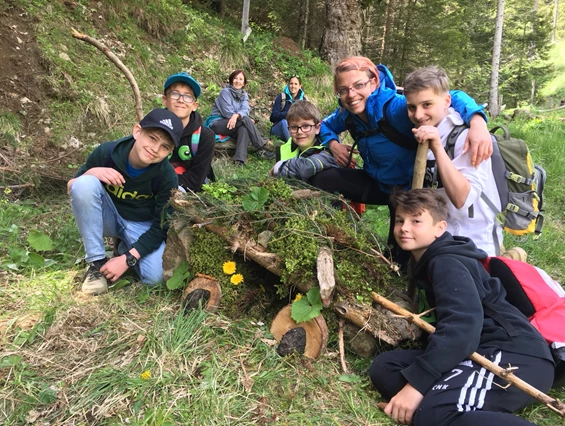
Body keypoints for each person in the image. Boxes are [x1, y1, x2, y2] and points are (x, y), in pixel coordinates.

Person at [369, 188, 554, 426]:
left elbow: (463, 327)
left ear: (439, 228)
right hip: (475, 350)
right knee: (386, 367)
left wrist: (417, 385)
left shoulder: (446, 262)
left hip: (512, 355)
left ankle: (438, 411)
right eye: (399, 220)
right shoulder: (429, 259)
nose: (404, 228)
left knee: (434, 414)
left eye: (416, 221)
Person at [307, 56, 493, 265]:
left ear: (374, 82)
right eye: (343, 90)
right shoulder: (348, 113)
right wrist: (333, 144)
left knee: (397, 263)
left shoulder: (396, 108)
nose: (351, 95)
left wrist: (477, 121)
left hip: (406, 193)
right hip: (377, 183)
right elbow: (324, 125)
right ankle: (328, 236)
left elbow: (448, 96)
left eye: (359, 85)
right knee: (323, 179)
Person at [68, 109, 182, 295]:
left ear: (169, 152)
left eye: (164, 146)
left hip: (140, 224)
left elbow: (161, 226)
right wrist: (93, 173)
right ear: (137, 131)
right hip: (107, 218)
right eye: (152, 138)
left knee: (156, 279)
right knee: (84, 184)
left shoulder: (167, 176)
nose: (155, 149)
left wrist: (128, 258)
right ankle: (96, 264)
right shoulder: (107, 153)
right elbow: (73, 187)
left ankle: (123, 246)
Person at [403, 66, 502, 256]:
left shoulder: (468, 138)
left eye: (427, 105)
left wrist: (437, 147)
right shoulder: (428, 128)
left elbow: (462, 199)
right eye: (411, 107)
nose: (418, 115)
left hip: (476, 239)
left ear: (447, 101)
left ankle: (511, 256)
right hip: (440, 234)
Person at [207, 69, 275, 165]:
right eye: (235, 78)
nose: (238, 81)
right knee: (245, 120)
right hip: (218, 123)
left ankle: (239, 160)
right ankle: (261, 147)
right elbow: (227, 113)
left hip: (233, 125)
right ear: (231, 80)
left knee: (244, 128)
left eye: (240, 79)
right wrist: (238, 116)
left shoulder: (244, 95)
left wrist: (237, 115)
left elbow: (246, 109)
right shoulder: (225, 92)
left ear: (244, 83)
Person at [162, 72, 216, 192]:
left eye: (187, 96)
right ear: (165, 100)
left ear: (194, 105)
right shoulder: (152, 128)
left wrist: (159, 183)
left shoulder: (205, 136)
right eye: (175, 94)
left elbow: (195, 181)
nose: (181, 100)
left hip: (186, 189)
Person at [270, 100, 338, 181]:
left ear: (317, 128)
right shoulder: (284, 149)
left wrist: (279, 166)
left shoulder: (327, 150)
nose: (299, 132)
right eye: (294, 127)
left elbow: (306, 168)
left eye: (306, 126)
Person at [269, 75, 307, 142]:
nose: (293, 86)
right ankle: (292, 145)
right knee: (284, 122)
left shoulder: (303, 101)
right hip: (278, 130)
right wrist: (287, 114)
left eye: (296, 84)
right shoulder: (281, 97)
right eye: (291, 83)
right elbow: (272, 117)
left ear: (300, 86)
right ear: (288, 84)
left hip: (295, 130)